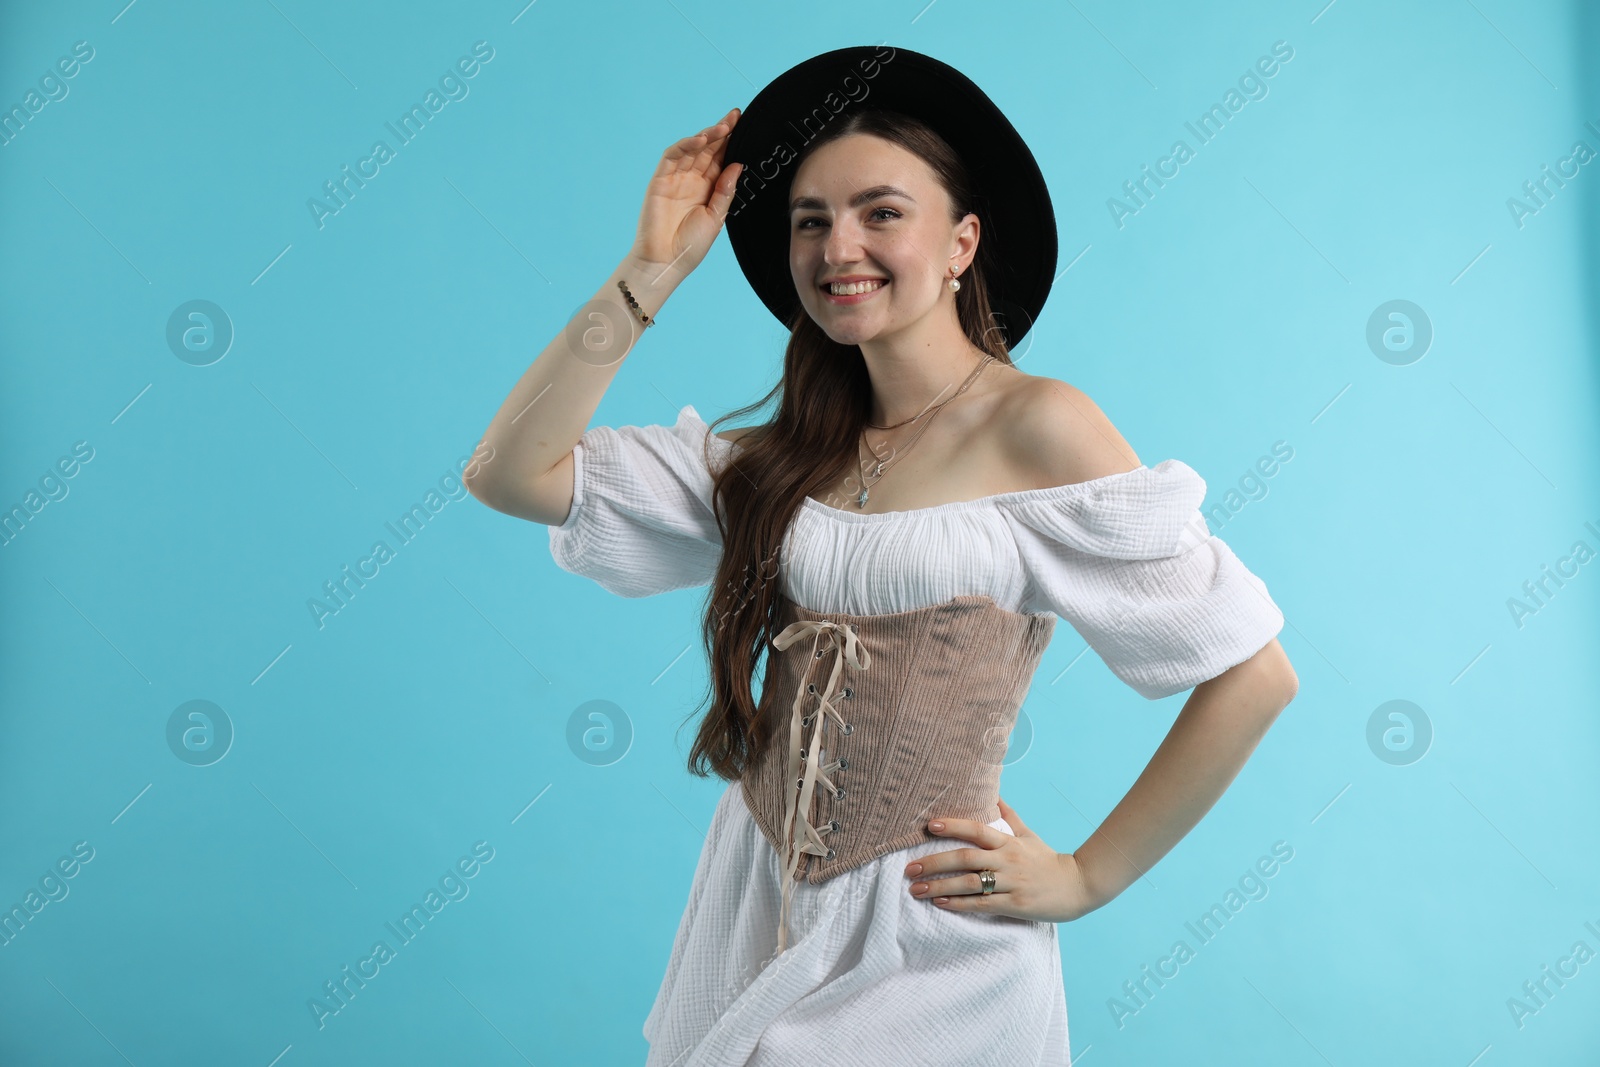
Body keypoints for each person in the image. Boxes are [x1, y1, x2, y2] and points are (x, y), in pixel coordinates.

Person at [466, 44, 1298, 1067]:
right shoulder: (782, 462)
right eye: (808, 219)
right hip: (755, 901)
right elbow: (510, 471)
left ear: (962, 241)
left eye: (880, 212)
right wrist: (649, 273)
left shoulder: (1040, 426)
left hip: (931, 936)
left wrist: (1086, 876)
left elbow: (1254, 672)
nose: (835, 245)